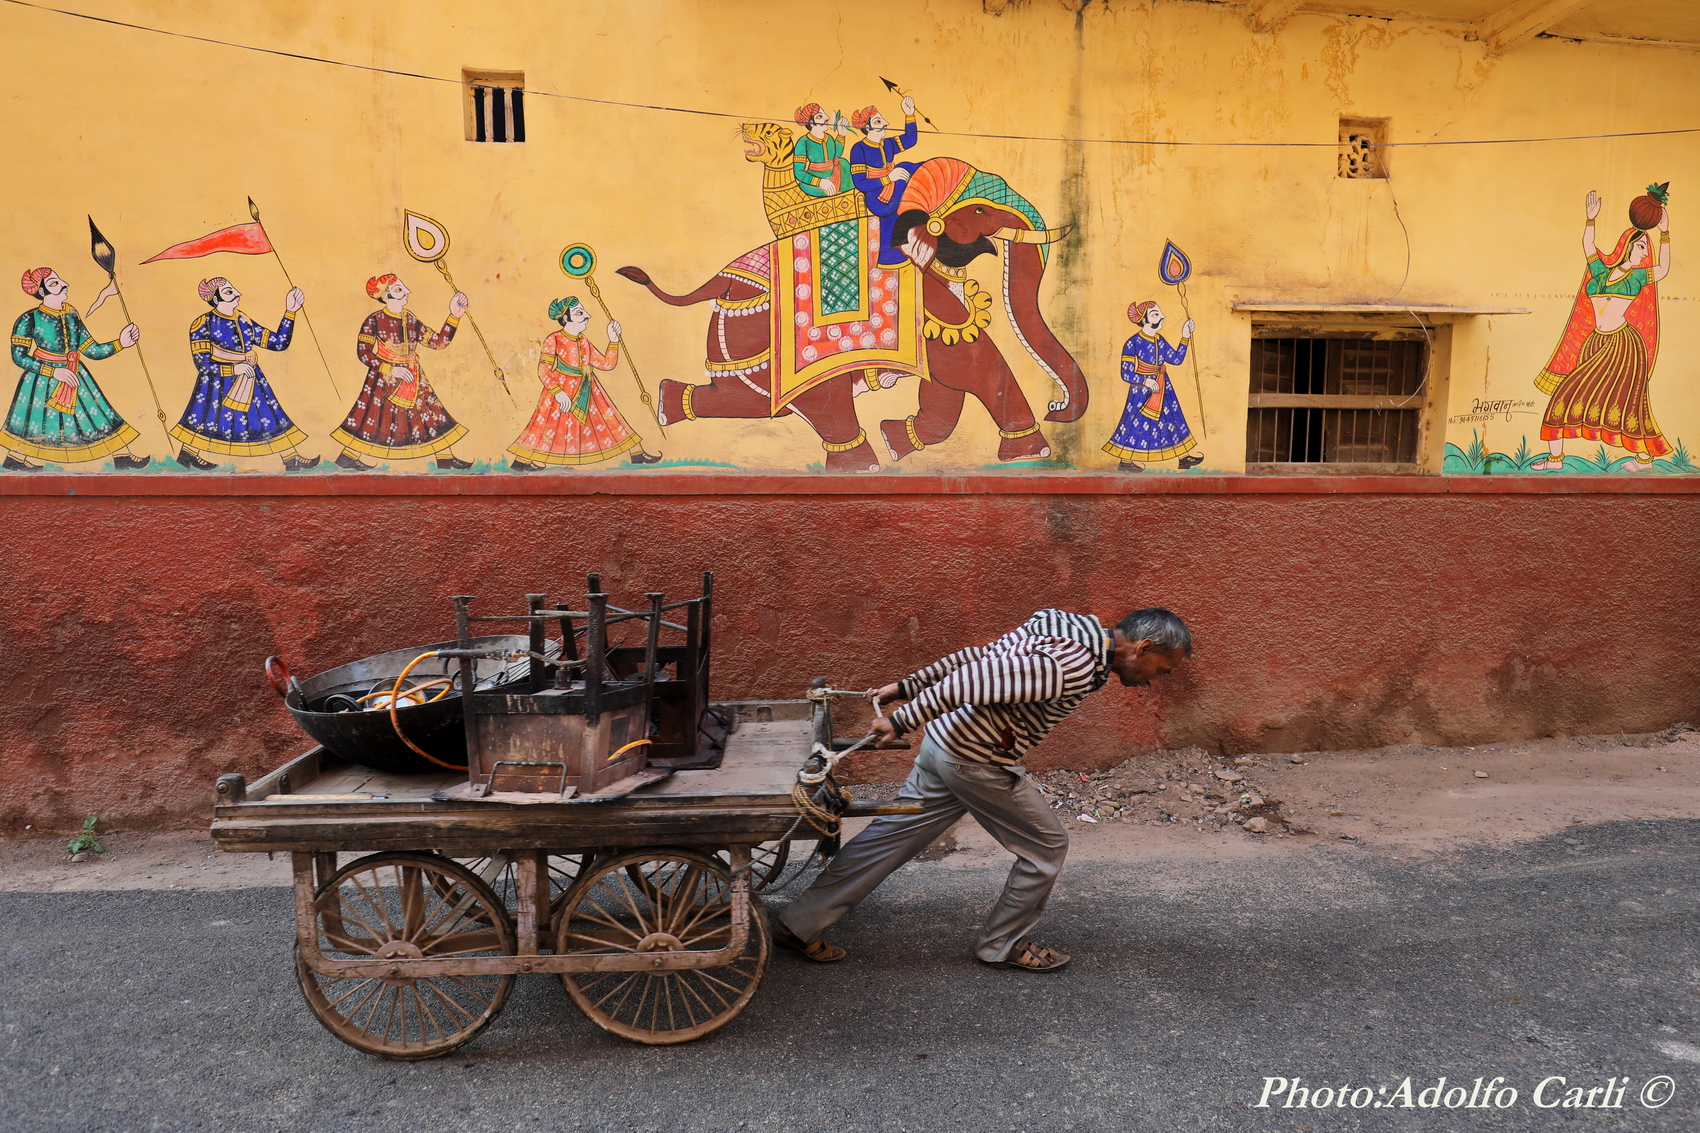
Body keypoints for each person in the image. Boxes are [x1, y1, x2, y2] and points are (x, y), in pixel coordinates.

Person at [776, 607, 1192, 972]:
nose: (1155, 680)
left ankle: (799, 923)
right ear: (1144, 647)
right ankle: (1003, 943)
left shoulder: (1065, 624)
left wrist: (908, 686)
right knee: (1046, 846)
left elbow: (979, 656)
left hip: (943, 743)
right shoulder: (1075, 663)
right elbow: (976, 678)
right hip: (974, 759)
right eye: (1163, 668)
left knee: (891, 836)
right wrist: (903, 717)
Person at [1531, 189, 1672, 472]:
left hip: (1624, 346)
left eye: (1647, 247)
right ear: (1629, 245)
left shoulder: (1638, 277)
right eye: (1642, 246)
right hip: (1596, 343)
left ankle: (1645, 458)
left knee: (1628, 402)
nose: (1646, 252)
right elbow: (1588, 244)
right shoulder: (1601, 272)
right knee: (1567, 395)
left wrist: (1664, 234)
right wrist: (1590, 219)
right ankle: (1556, 460)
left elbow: (1664, 268)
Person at [5, 267, 149, 471]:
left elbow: (91, 350)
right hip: (42, 378)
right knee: (34, 421)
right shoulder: (29, 319)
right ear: (42, 292)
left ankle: (122, 455)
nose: (64, 284)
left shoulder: (71, 313)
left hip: (74, 372)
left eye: (60, 280)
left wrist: (120, 343)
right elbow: (19, 356)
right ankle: (17, 459)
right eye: (54, 283)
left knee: (99, 411)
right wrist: (54, 372)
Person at [170, 277, 319, 471]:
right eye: (229, 292)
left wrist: (290, 312)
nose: (238, 294)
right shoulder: (202, 323)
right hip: (217, 383)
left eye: (234, 290)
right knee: (206, 417)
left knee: (268, 415)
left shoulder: (243, 319)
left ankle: (291, 458)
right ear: (215, 299)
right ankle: (188, 454)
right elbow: (202, 363)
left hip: (249, 377)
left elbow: (277, 343)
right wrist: (232, 369)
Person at [331, 273, 471, 470]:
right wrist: (390, 369)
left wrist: (454, 316)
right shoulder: (375, 320)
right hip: (385, 377)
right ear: (385, 297)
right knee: (372, 416)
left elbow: (438, 343)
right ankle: (348, 455)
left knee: (429, 412)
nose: (407, 292)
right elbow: (363, 353)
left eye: (404, 288)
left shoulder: (410, 319)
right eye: (399, 290)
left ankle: (444, 456)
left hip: (412, 374)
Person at [508, 296, 659, 469]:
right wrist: (558, 392)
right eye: (580, 313)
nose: (587, 316)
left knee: (610, 418)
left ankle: (637, 454)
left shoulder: (583, 340)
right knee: (545, 424)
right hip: (561, 388)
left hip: (587, 386)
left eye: (584, 312)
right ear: (565, 319)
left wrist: (613, 340)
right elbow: (543, 370)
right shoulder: (554, 339)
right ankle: (523, 461)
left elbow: (606, 364)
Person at [1103, 300, 1204, 471]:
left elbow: (1176, 359)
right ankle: (1125, 462)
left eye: (1160, 313)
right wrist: (1145, 381)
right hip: (1141, 389)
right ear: (1144, 320)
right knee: (1134, 422)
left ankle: (1183, 457)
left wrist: (1185, 336)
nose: (1162, 316)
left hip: (1163, 385)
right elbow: (1125, 372)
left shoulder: (1160, 340)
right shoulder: (1132, 342)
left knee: (1173, 418)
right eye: (1156, 314)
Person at [849, 97, 921, 266]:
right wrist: (889, 178)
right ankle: (891, 258)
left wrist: (909, 114)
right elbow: (860, 183)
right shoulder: (859, 148)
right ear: (867, 127)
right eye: (879, 121)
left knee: (911, 168)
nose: (886, 123)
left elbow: (910, 140)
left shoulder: (887, 144)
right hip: (878, 199)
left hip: (892, 187)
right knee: (906, 168)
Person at [792, 103, 850, 198]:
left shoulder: (829, 138)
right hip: (814, 180)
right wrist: (819, 182)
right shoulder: (803, 141)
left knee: (843, 163)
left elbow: (836, 155)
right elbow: (799, 172)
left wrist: (841, 135)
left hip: (834, 174)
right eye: (820, 116)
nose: (827, 118)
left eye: (824, 115)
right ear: (811, 122)